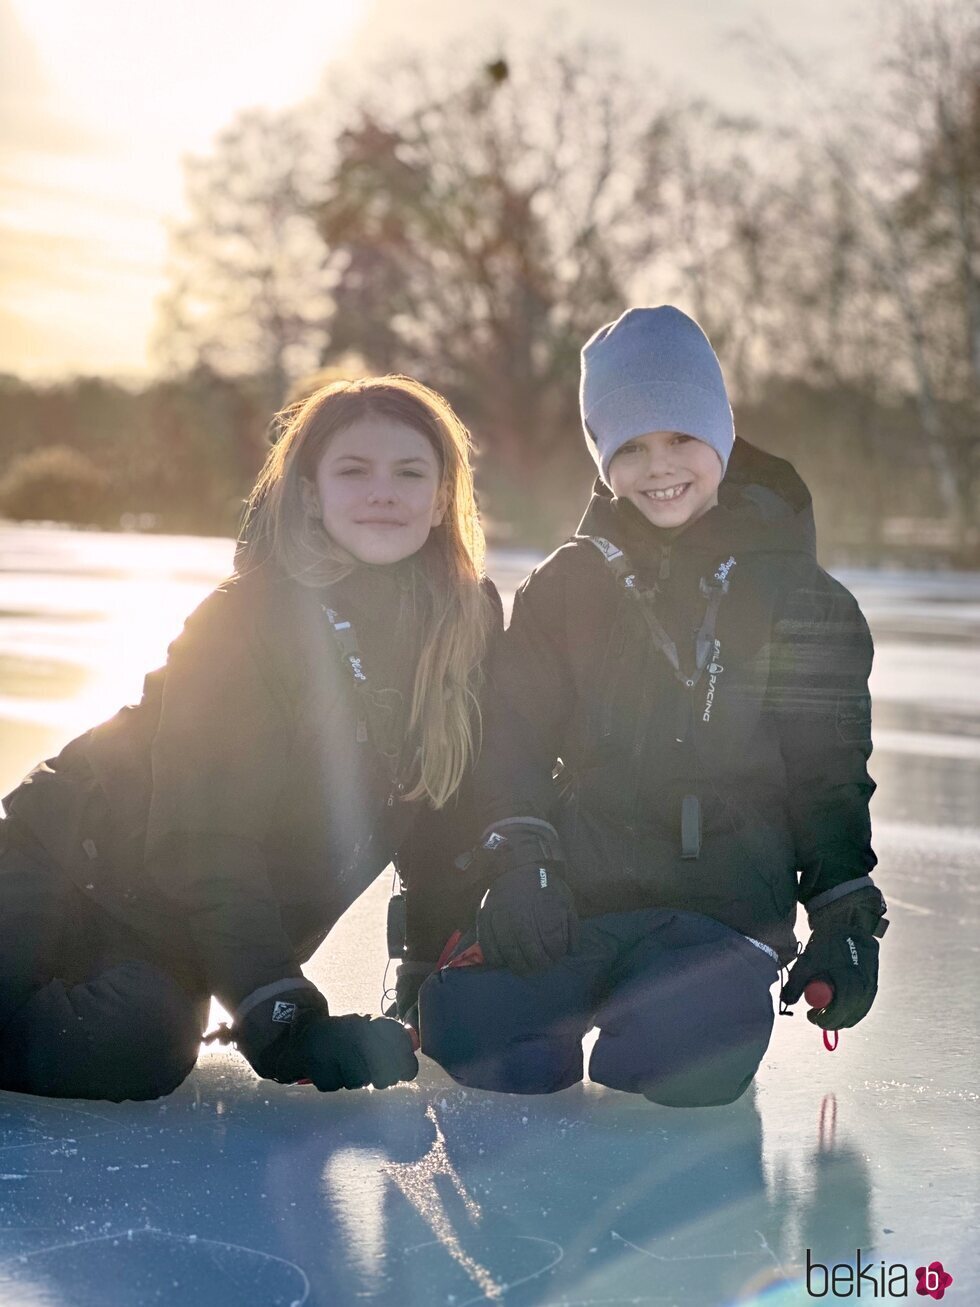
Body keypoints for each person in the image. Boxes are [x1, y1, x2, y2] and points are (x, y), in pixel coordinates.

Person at [418, 307, 888, 1107]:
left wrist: (845, 914)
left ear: (722, 433)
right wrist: (523, 857)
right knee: (477, 1033)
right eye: (629, 447)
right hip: (580, 895)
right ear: (603, 462)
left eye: (680, 438)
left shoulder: (803, 600)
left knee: (677, 1057)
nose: (658, 467)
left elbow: (827, 777)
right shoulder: (567, 585)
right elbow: (516, 737)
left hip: (720, 919)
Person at [0, 375, 500, 1102]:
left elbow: (442, 810)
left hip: (168, 932)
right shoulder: (247, 618)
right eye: (353, 471)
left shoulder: (464, 625)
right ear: (308, 493)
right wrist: (281, 1013)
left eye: (409, 471)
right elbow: (204, 836)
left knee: (138, 1047)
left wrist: (428, 971)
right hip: (59, 865)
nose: (382, 491)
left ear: (442, 495)